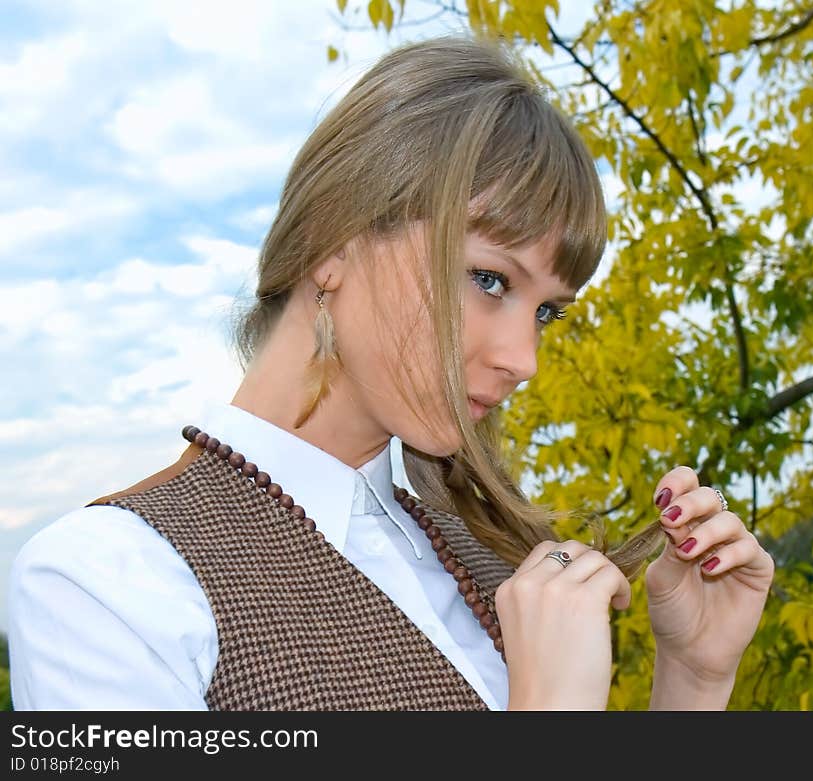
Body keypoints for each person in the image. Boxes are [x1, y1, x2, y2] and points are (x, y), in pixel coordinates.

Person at [7, 33, 774, 711]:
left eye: (546, 311)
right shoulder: (107, 586)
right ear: (334, 244)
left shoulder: (485, 557)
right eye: (490, 280)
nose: (523, 359)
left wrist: (693, 679)